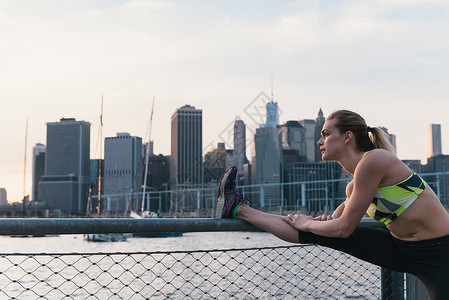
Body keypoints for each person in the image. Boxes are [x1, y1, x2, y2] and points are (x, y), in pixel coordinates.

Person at [214, 110, 449, 300]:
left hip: (441, 252)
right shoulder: (352, 188)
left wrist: (309, 224)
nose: (319, 141)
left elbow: (343, 228)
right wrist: (312, 225)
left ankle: (239, 207)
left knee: (315, 228)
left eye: (326, 134)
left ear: (347, 136)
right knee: (316, 230)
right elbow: (333, 226)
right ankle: (237, 208)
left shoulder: (376, 160)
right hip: (404, 250)